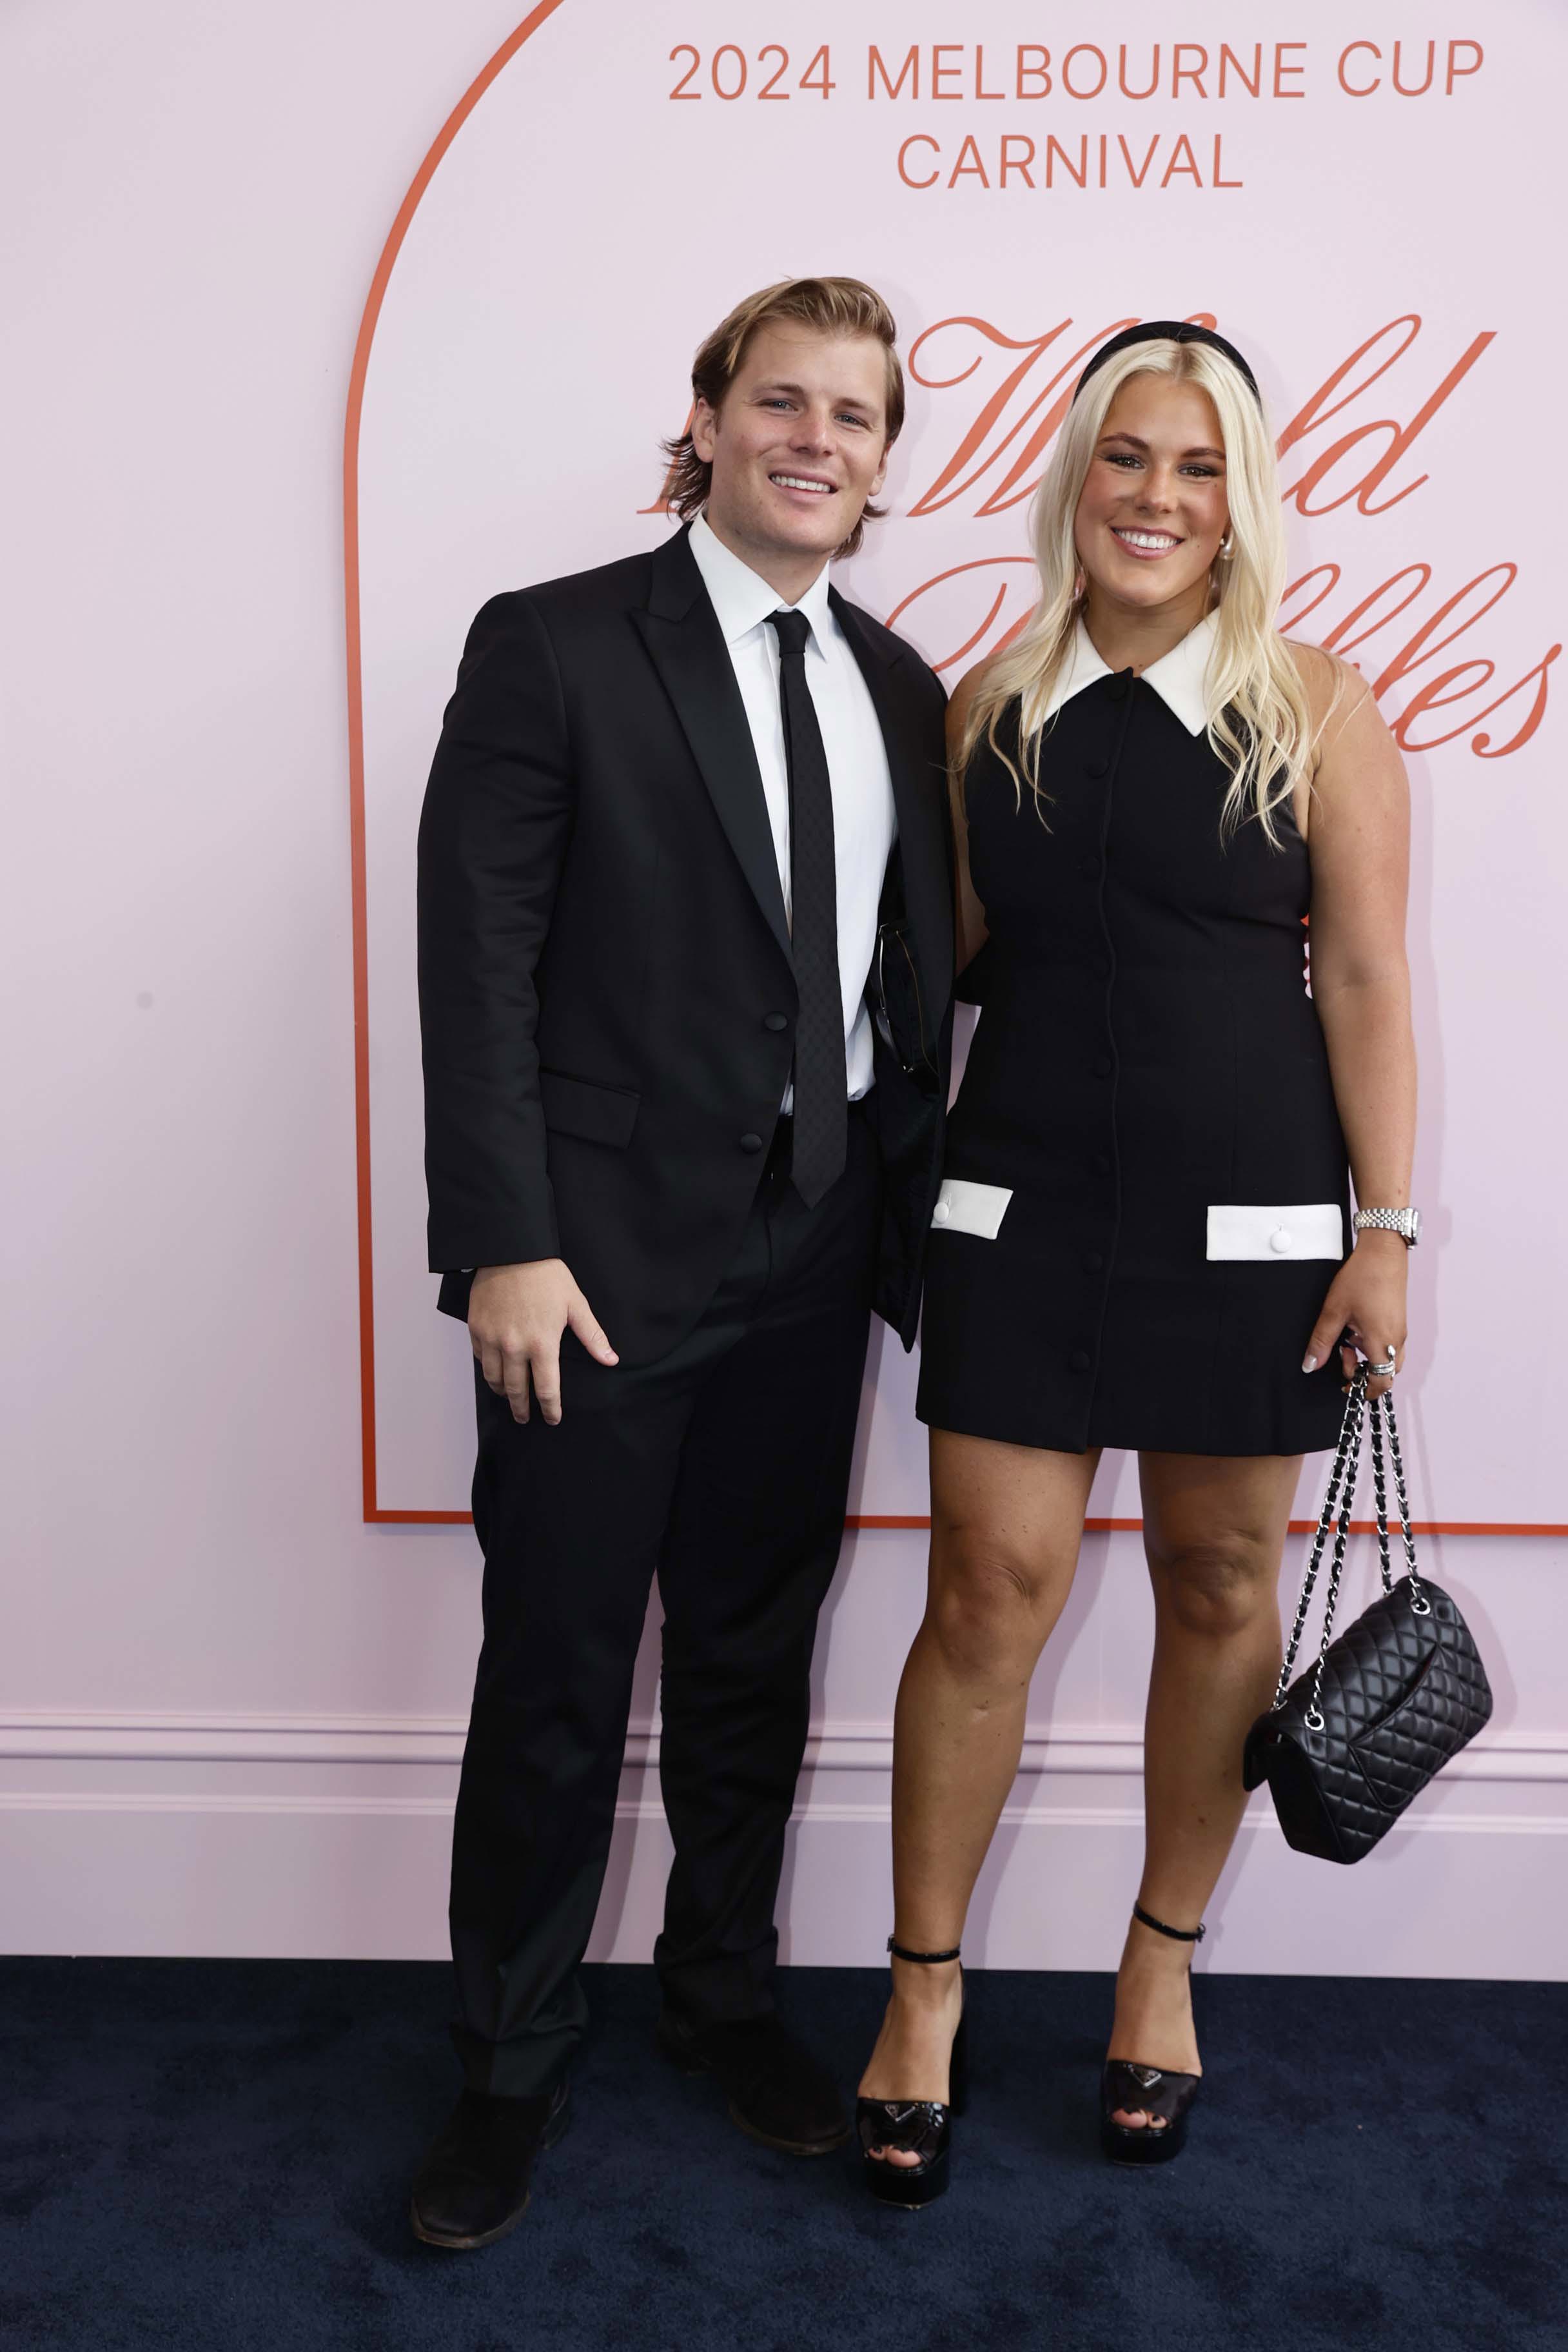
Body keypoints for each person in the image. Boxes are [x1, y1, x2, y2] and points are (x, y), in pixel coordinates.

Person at [409, 276, 953, 2249]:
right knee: (556, 1678)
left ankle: (724, 1999)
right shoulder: (554, 649)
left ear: (889, 460)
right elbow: (472, 972)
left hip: (812, 1266)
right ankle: (506, 2064)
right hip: (591, 1277)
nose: (821, 440)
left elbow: (908, 999)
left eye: (860, 417)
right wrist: (504, 1246)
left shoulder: (902, 687)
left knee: (750, 1664)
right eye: (785, 401)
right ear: (710, 418)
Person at [854, 321, 1418, 2206]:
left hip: (1256, 1230)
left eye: (1193, 467)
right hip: (1017, 1215)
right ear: (1072, 477)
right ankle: (921, 1994)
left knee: (1219, 1580)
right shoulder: (984, 708)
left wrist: (1388, 1233)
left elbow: (1371, 987)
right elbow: (929, 985)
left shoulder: (1326, 712)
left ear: (1238, 498)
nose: (1156, 498)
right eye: (1125, 459)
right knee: (990, 1594)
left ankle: (1158, 1967)